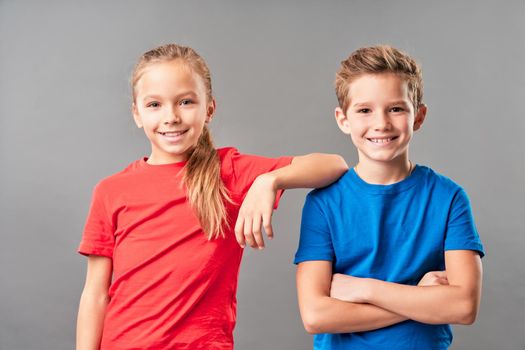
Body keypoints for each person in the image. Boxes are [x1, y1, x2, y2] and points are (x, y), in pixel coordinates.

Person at [76, 43, 348, 350]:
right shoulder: (111, 191)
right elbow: (96, 294)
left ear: (209, 109)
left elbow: (333, 165)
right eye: (155, 105)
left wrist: (270, 180)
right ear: (137, 114)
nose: (171, 117)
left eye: (186, 102)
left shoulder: (228, 171)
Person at [294, 45, 484, 350]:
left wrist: (363, 288)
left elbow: (463, 306)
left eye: (396, 108)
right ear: (343, 119)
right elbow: (316, 315)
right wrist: (419, 299)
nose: (381, 123)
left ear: (418, 116)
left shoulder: (449, 198)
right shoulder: (323, 203)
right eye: (365, 110)